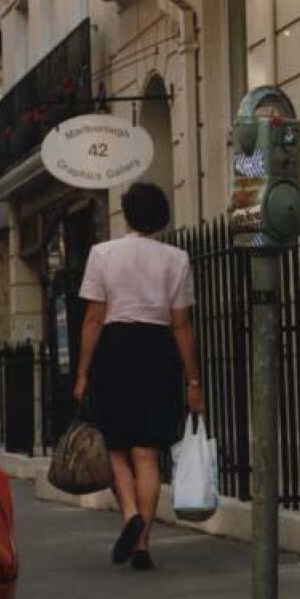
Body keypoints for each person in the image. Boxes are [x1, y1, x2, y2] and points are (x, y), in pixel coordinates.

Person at [74, 182, 204, 572]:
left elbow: (94, 318)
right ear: (160, 216)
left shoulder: (102, 254)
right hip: (157, 350)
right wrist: (193, 381)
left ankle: (130, 513)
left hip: (115, 349)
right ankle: (143, 543)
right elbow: (182, 326)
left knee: (115, 445)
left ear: (127, 213)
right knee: (147, 451)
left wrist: (82, 372)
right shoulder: (176, 259)